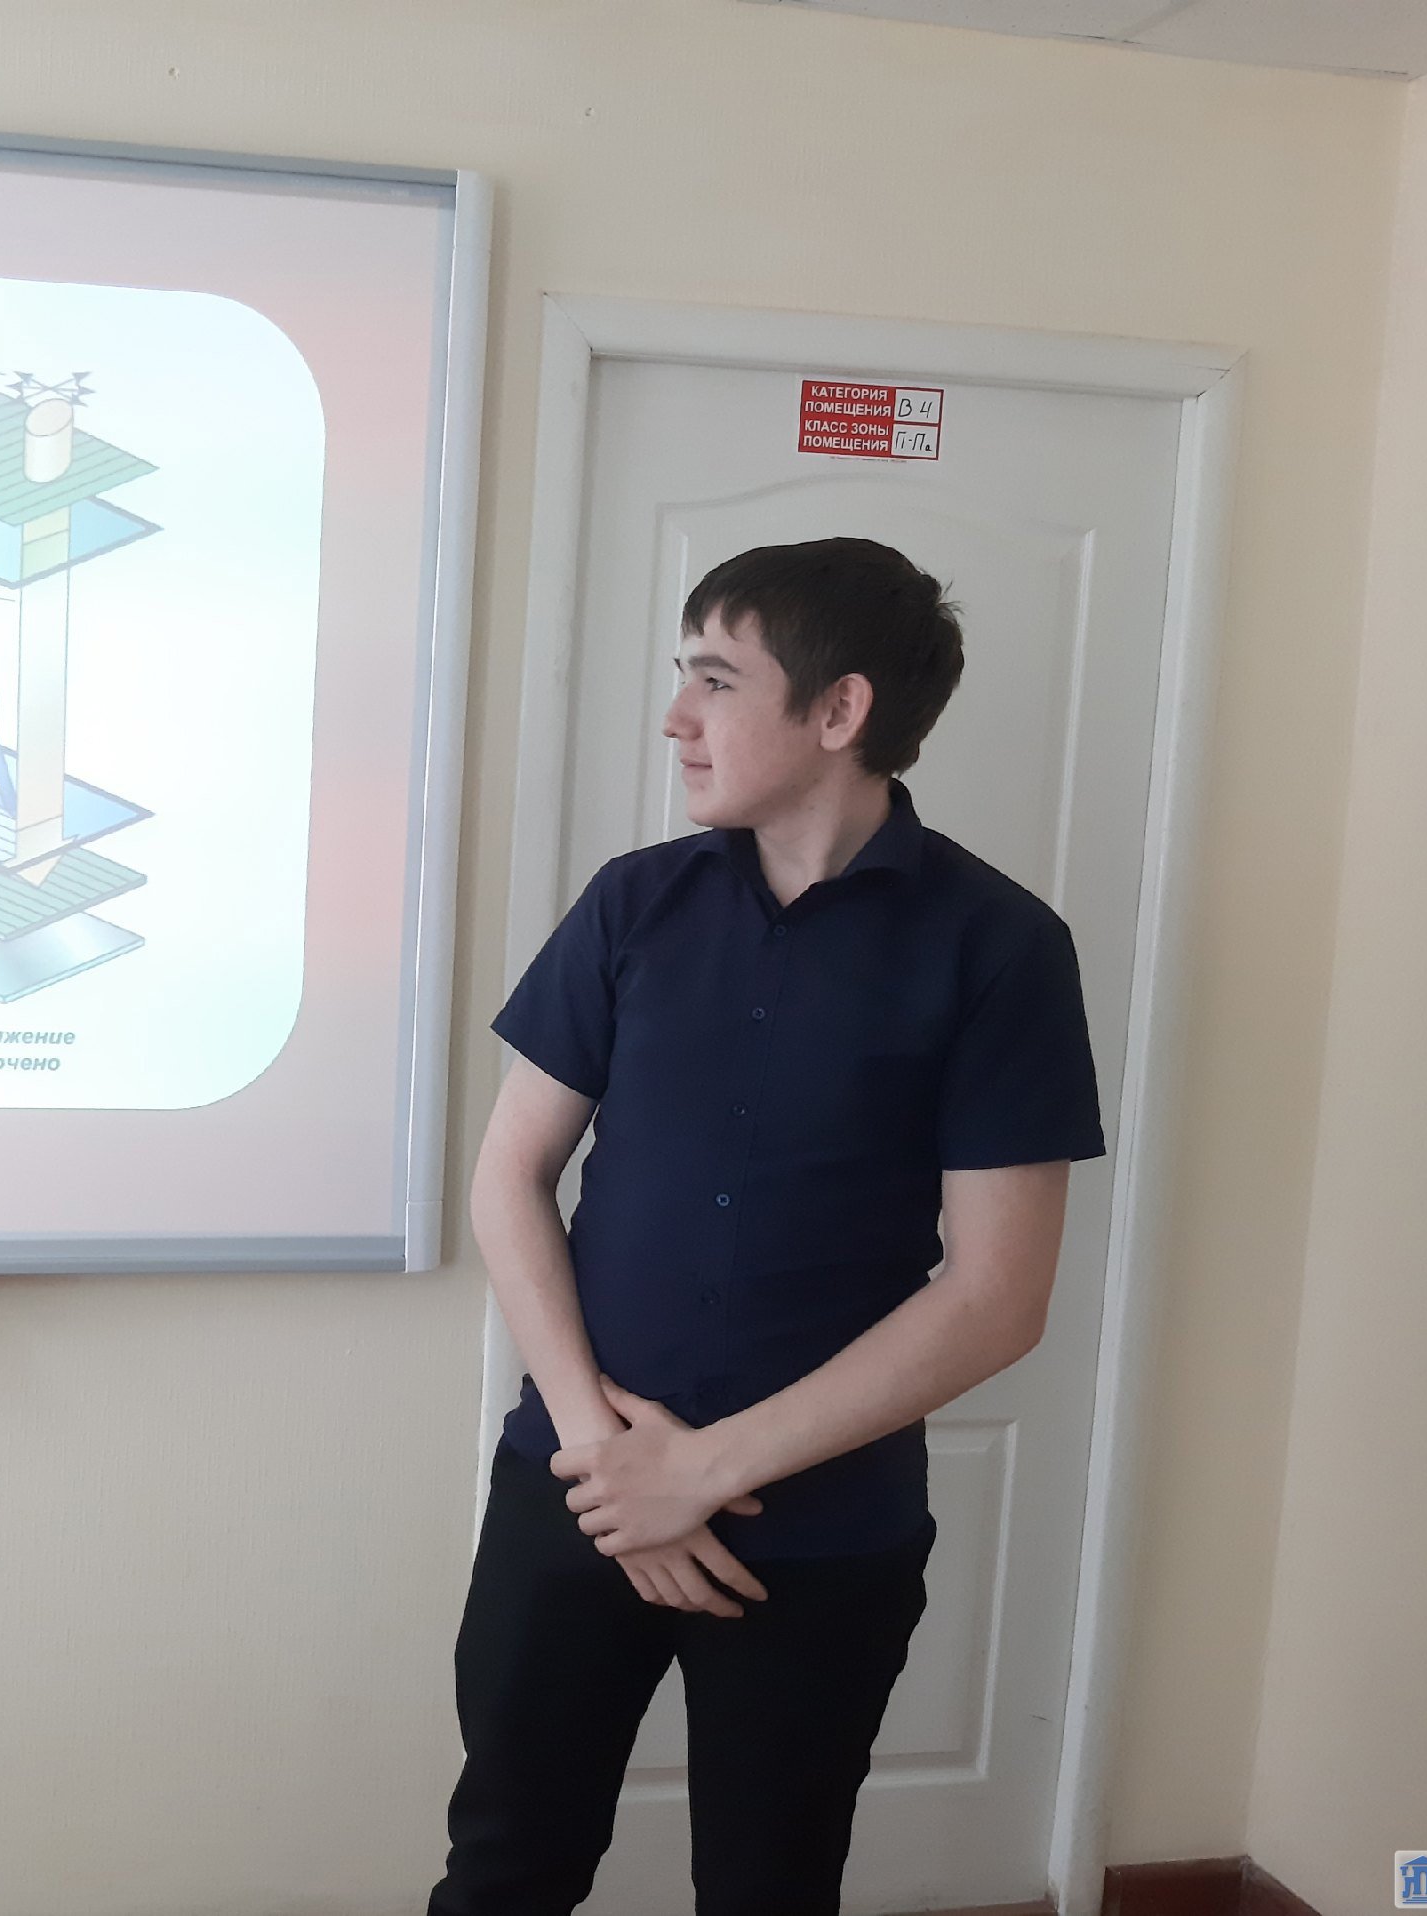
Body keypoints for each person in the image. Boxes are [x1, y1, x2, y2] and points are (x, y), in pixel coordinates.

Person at [428, 538, 1106, 1916]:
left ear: (840, 709)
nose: (676, 717)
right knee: (505, 1870)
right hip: (574, 1494)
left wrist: (700, 1473)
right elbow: (509, 1178)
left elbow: (997, 1297)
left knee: (770, 1888)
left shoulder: (1001, 947)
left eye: (717, 680)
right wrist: (610, 1461)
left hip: (823, 1537)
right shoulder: (634, 903)